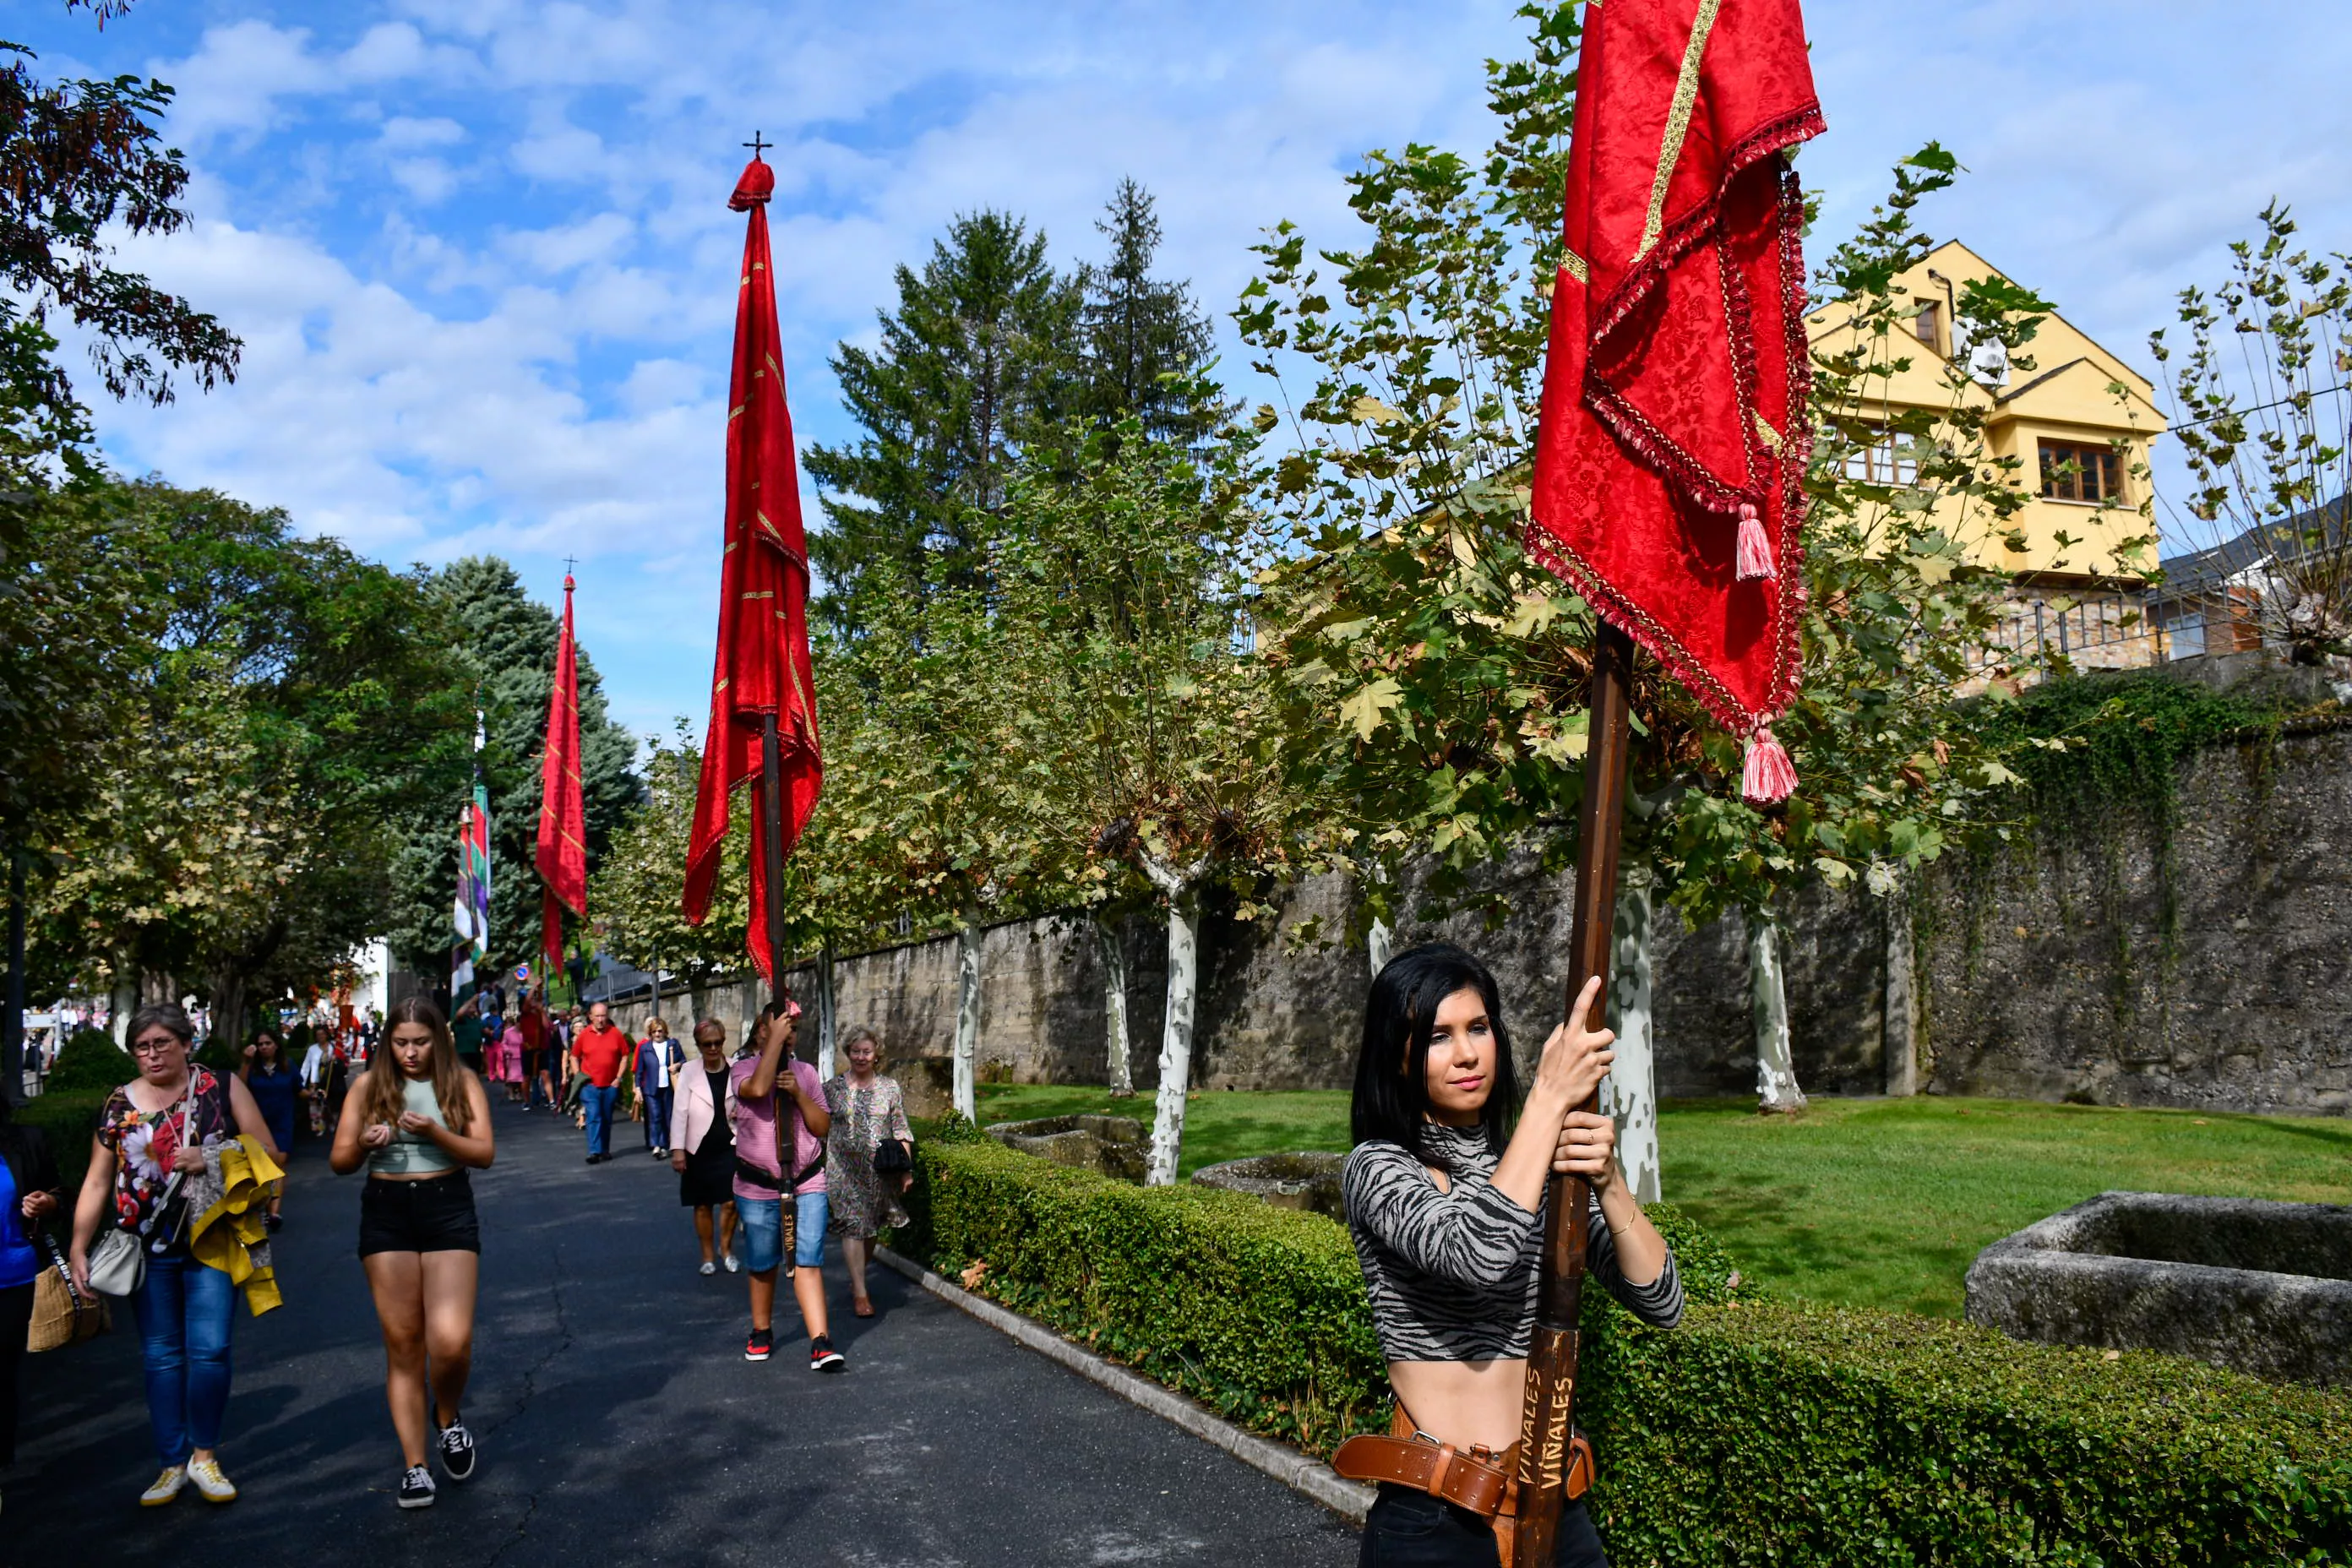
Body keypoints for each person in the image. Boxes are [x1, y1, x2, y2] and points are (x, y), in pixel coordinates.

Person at [1337, 945, 1682, 1568]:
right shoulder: (1379, 1168)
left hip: (1552, 1506)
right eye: (1437, 1036)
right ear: (1398, 1054)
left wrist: (1607, 1183)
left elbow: (1662, 1300)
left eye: (1479, 1028)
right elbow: (1476, 1253)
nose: (1467, 1053)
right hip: (1436, 1519)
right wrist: (1549, 1103)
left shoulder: (1531, 1172)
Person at [68, 1003, 284, 1508]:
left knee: (209, 1351)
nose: (152, 1054)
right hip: (145, 1251)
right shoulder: (118, 1104)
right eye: (142, 1047)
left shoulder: (220, 1087)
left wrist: (209, 1157)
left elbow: (271, 1153)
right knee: (161, 1358)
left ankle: (204, 1456)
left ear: (187, 1044)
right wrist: (78, 1245)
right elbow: (98, 1179)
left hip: (210, 1241)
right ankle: (170, 1464)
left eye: (162, 1043)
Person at [329, 996, 495, 1511]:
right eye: (400, 1043)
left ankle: (446, 1417)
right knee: (403, 1342)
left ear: (438, 1039)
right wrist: (364, 1143)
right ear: (388, 1043)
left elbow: (484, 1153)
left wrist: (436, 1133)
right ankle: (415, 1467)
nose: (410, 1052)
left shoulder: (460, 1082)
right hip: (387, 1210)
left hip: (447, 1207)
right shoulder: (367, 1086)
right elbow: (340, 1161)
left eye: (420, 1042)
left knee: (451, 1343)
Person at [731, 1000, 841, 1371]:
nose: (788, 1035)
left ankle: (820, 1341)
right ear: (762, 1031)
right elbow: (758, 1088)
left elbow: (822, 1127)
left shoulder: (806, 1073)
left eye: (792, 1029)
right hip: (757, 1184)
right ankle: (761, 1329)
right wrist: (773, 1048)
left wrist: (798, 1094)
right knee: (763, 1261)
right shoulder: (743, 1068)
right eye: (780, 1028)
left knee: (808, 1257)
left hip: (806, 1180)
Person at [0, 1094, 63, 1518]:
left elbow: (61, 1192)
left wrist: (47, 1203)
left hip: (13, 1280)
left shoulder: (25, 1141)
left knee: (1, 1375)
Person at [821, 1026, 912, 1319]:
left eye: (867, 1052)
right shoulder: (832, 1088)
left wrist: (906, 1170)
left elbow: (900, 1129)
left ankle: (858, 1274)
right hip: (842, 1170)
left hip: (878, 1173)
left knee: (870, 1226)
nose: (861, 1057)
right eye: (856, 1051)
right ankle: (861, 1292)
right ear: (848, 1053)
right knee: (852, 1225)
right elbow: (819, 1128)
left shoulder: (890, 1088)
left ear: (876, 1055)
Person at [668, 1020, 740, 1277]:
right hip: (698, 1148)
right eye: (706, 1044)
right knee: (702, 1204)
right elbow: (679, 1112)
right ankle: (707, 1255)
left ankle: (726, 1249)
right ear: (698, 1045)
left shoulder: (736, 1068)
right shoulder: (689, 1070)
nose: (713, 1048)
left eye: (717, 1043)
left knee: (732, 1202)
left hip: (731, 1144)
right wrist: (677, 1151)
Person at [238, 1029, 301, 1231]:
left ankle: (274, 1213)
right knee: (260, 1167)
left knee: (279, 1165)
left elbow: (299, 1090)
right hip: (258, 1123)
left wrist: (316, 1095)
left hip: (283, 1122)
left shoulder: (287, 1066)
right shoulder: (254, 1068)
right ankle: (262, 1206)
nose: (264, 1047)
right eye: (261, 1044)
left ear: (276, 1045)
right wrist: (247, 1062)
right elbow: (239, 1087)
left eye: (268, 1043)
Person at [571, 1002, 631, 1165]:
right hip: (590, 1085)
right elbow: (574, 1056)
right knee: (594, 1116)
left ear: (608, 1016)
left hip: (610, 1085)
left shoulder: (615, 1033)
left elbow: (625, 1056)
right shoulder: (584, 1034)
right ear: (590, 1017)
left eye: (603, 1016)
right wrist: (578, 1076)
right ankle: (594, 1151)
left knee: (606, 1118)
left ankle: (604, 1149)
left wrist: (618, 1077)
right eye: (597, 1016)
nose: (600, 1019)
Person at [635, 1018, 683, 1160]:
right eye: (654, 1031)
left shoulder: (672, 1044)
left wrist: (676, 1066)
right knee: (656, 1116)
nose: (657, 1034)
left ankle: (665, 1144)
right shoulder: (645, 1048)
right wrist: (638, 1087)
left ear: (665, 1031)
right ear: (650, 1032)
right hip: (650, 1088)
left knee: (668, 1117)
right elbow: (639, 1070)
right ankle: (656, 1144)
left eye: (660, 1031)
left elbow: (684, 1060)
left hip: (668, 1087)